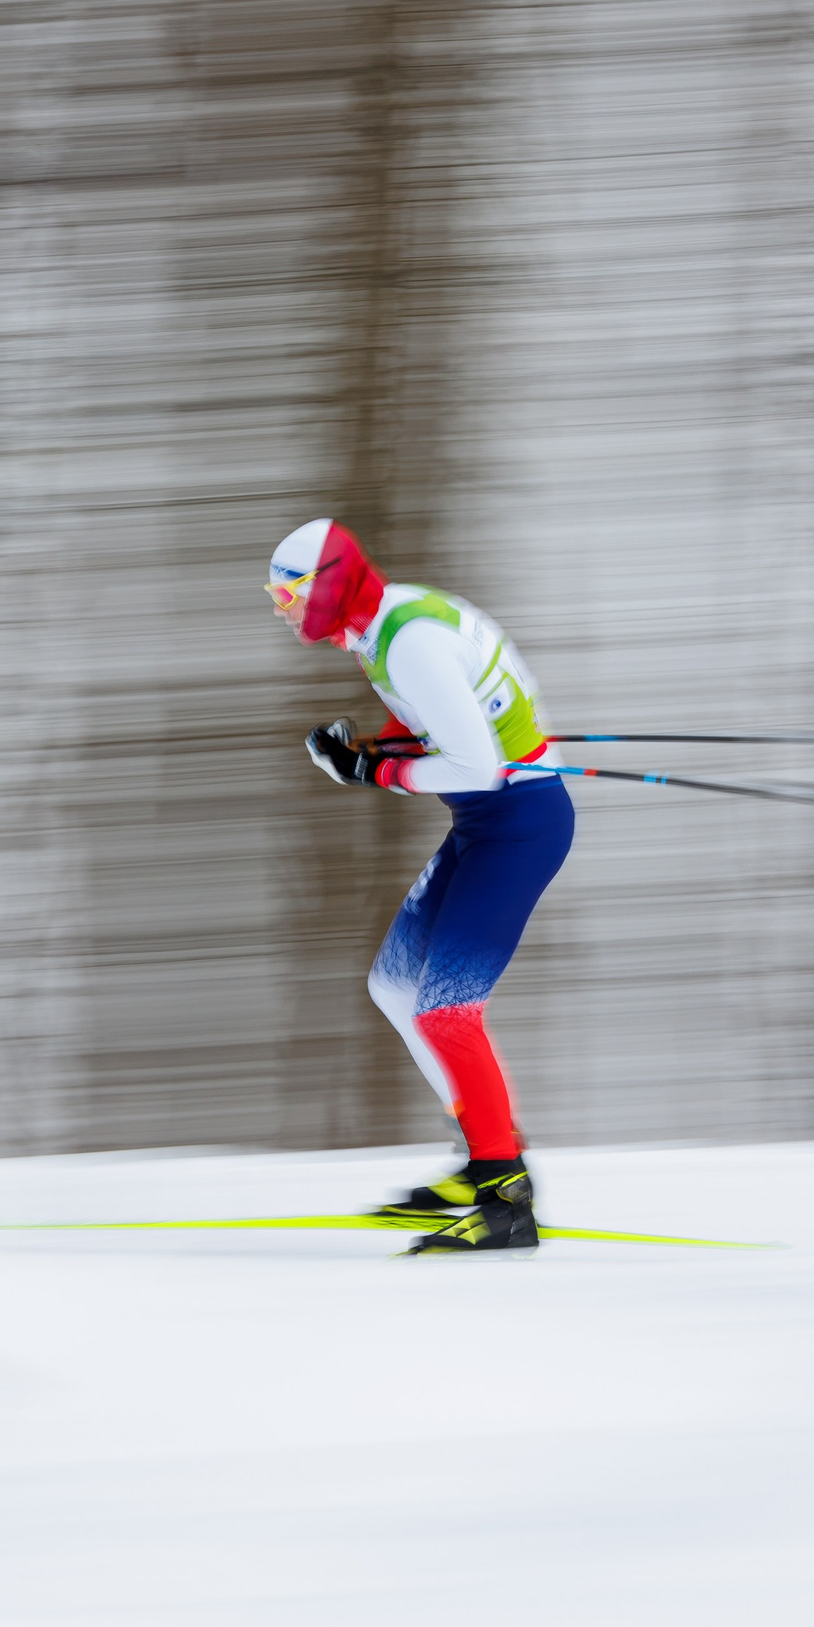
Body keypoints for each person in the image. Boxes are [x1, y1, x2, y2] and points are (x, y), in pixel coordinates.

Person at [265, 518, 574, 1255]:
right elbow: (453, 723)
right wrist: (372, 747)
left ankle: (506, 1200)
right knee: (397, 988)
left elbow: (477, 766)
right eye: (274, 594)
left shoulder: (410, 643)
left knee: (446, 1011)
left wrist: (375, 770)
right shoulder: (385, 623)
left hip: (518, 825)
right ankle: (484, 1156)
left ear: (332, 583)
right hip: (486, 824)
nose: (281, 608)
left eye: (290, 592)